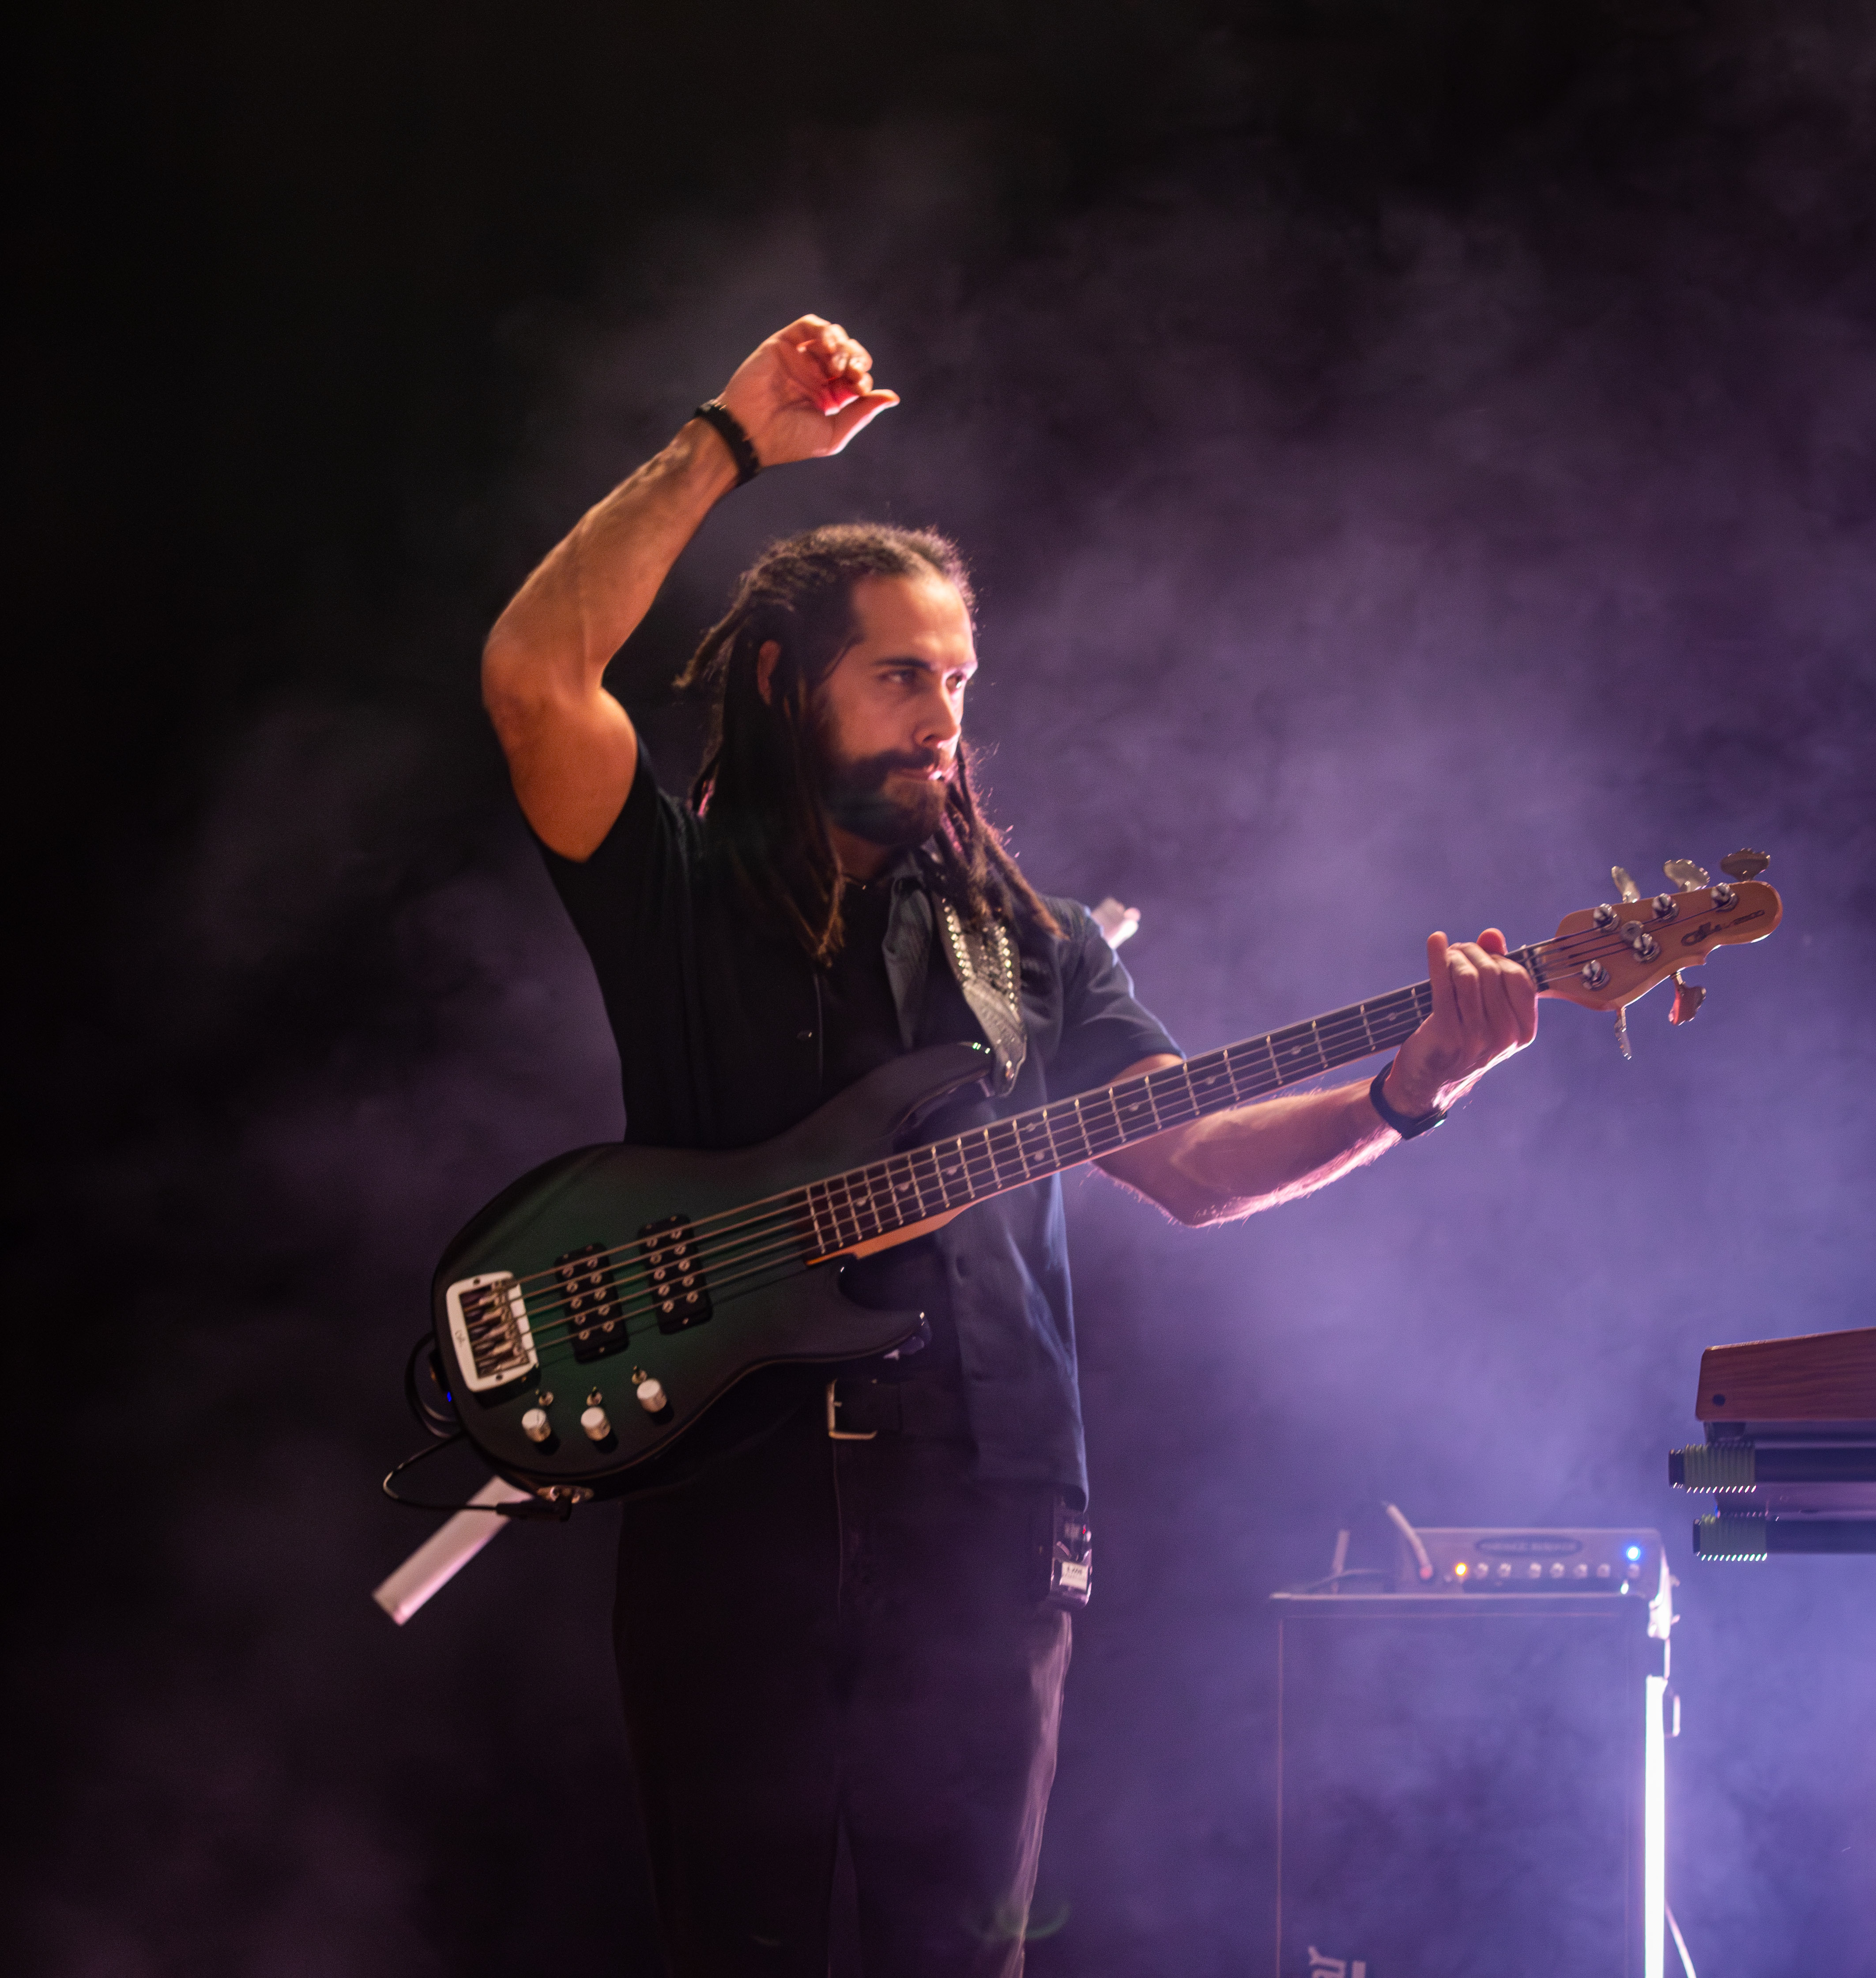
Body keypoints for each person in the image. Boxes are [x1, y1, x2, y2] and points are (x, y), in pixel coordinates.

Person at [480, 310, 1539, 1977]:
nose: (941, 718)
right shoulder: (678, 888)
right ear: (786, 685)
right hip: (731, 1505)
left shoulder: (1025, 942)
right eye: (901, 676)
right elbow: (538, 679)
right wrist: (726, 446)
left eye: (958, 681)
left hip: (980, 1522)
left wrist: (1407, 1093)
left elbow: (1190, 1164)